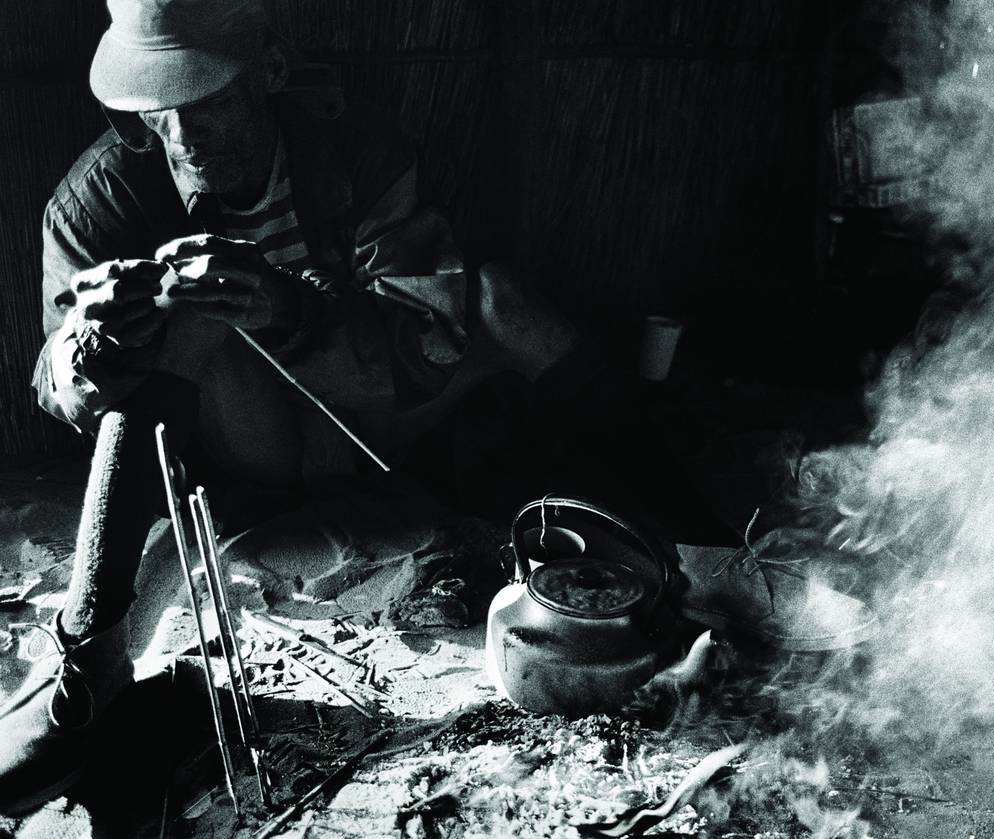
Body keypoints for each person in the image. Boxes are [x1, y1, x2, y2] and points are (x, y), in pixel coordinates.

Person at [0, 0, 877, 815]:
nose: (179, 133)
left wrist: (288, 308)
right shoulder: (101, 198)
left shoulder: (355, 151)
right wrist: (93, 350)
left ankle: (672, 530)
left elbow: (426, 343)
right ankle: (89, 669)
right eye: (157, 107)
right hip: (240, 453)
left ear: (268, 68)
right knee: (181, 328)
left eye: (206, 100)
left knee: (498, 298)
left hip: (370, 415)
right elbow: (62, 392)